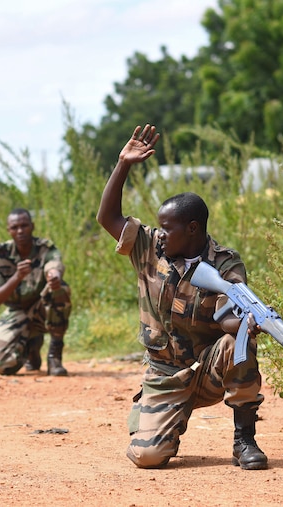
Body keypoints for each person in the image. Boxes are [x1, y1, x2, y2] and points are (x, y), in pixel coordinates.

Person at [96, 124, 268, 470]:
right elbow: (107, 217)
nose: (161, 233)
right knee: (148, 457)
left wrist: (248, 325)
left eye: (168, 227)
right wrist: (123, 164)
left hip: (206, 370)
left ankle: (244, 440)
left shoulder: (224, 264)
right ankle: (162, 418)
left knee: (240, 343)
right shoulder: (149, 247)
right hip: (164, 374)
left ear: (192, 228)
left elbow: (227, 317)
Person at [0, 208, 72, 376]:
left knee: (61, 288)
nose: (20, 231)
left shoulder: (45, 248)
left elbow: (54, 265)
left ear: (32, 226)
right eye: (15, 227)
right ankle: (30, 349)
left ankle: (55, 356)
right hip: (16, 313)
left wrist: (54, 276)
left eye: (24, 226)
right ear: (8, 230)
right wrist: (17, 277)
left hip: (42, 308)